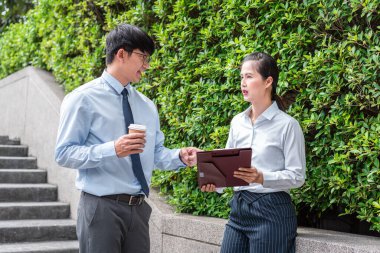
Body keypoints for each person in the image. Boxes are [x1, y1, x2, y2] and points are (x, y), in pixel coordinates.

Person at [55, 24, 199, 253]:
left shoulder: (147, 105)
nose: (147, 65)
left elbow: (155, 153)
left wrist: (180, 156)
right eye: (143, 57)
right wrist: (113, 149)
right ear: (121, 54)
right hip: (101, 208)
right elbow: (64, 153)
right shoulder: (82, 99)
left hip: (139, 211)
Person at [201, 52, 306, 253]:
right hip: (238, 210)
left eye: (249, 77)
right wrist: (215, 183)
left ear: (268, 81)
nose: (243, 83)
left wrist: (261, 177)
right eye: (241, 77)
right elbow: (228, 168)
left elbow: (297, 176)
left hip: (272, 212)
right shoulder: (237, 122)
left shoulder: (288, 126)